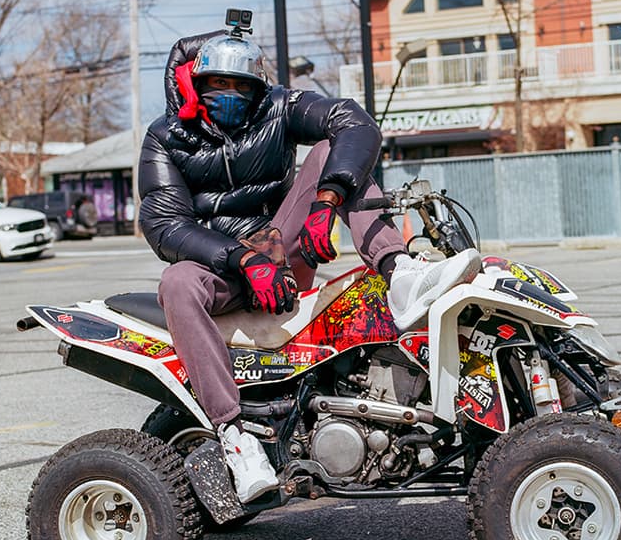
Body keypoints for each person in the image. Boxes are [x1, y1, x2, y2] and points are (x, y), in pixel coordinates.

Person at [138, 25, 481, 502]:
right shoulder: (165, 136)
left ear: (258, 88)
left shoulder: (277, 107)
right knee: (176, 282)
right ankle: (235, 437)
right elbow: (164, 224)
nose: (232, 94)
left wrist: (327, 199)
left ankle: (399, 272)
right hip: (221, 266)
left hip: (280, 252)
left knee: (333, 151)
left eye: (242, 86)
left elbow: (355, 123)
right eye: (220, 84)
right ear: (197, 83)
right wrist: (241, 258)